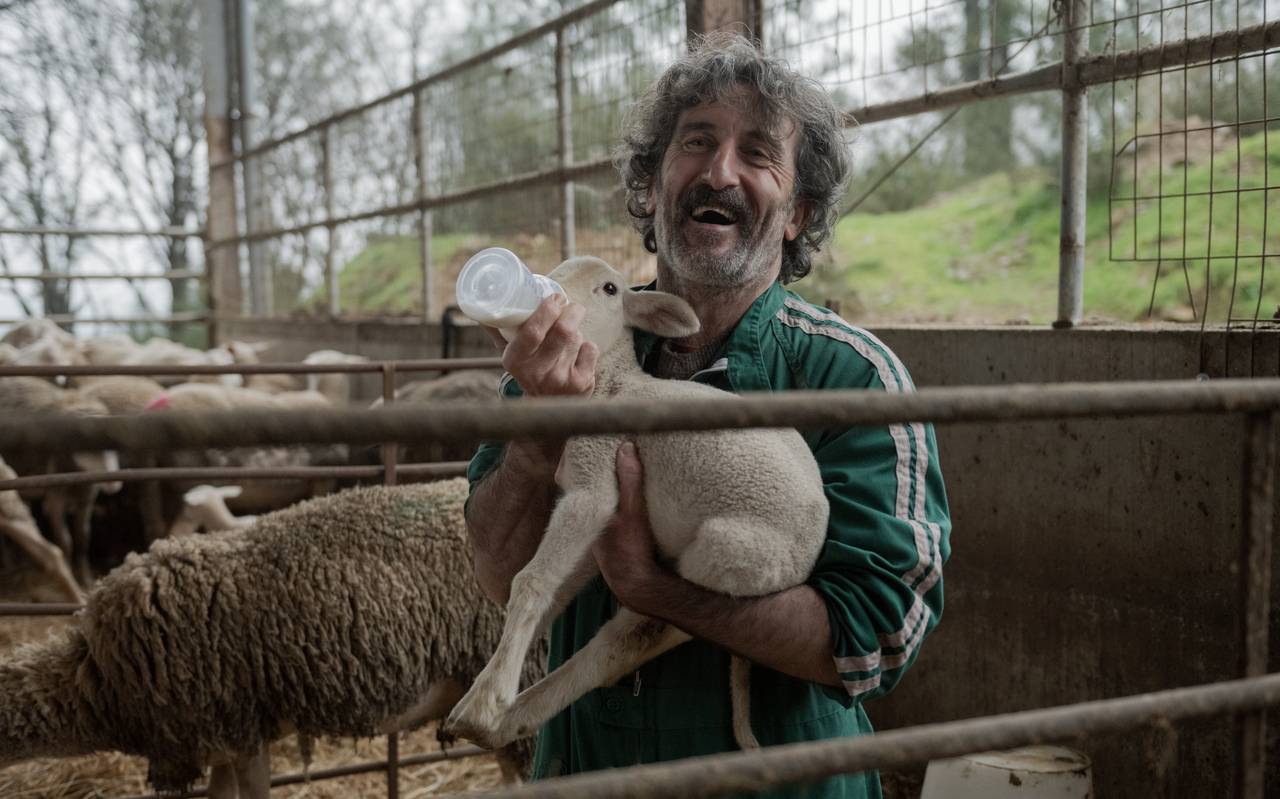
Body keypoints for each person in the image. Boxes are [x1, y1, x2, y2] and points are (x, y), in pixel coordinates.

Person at [464, 33, 951, 799]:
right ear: (652, 190)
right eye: (696, 142)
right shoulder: (568, 360)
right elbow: (498, 574)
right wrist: (537, 428)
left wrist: (653, 589)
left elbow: (876, 641)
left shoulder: (855, 379)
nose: (719, 170)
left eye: (758, 153)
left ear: (798, 213)